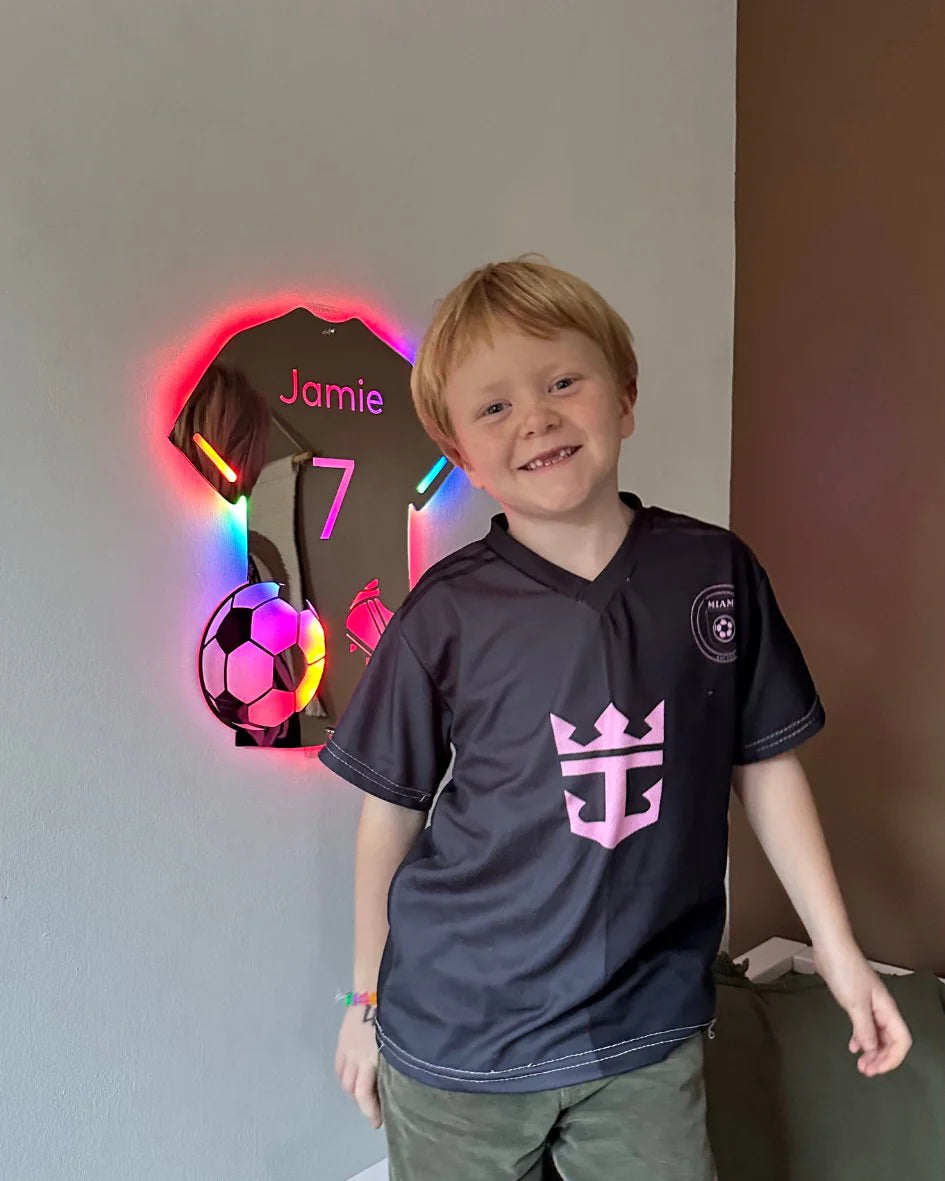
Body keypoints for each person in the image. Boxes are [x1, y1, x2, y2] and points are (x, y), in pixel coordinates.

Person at [320, 259, 913, 1180]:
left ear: (624, 397)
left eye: (563, 382)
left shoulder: (712, 573)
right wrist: (364, 1002)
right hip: (460, 1039)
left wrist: (840, 956)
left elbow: (763, 765)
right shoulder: (444, 612)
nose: (535, 418)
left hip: (644, 1032)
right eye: (494, 407)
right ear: (459, 452)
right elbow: (389, 814)